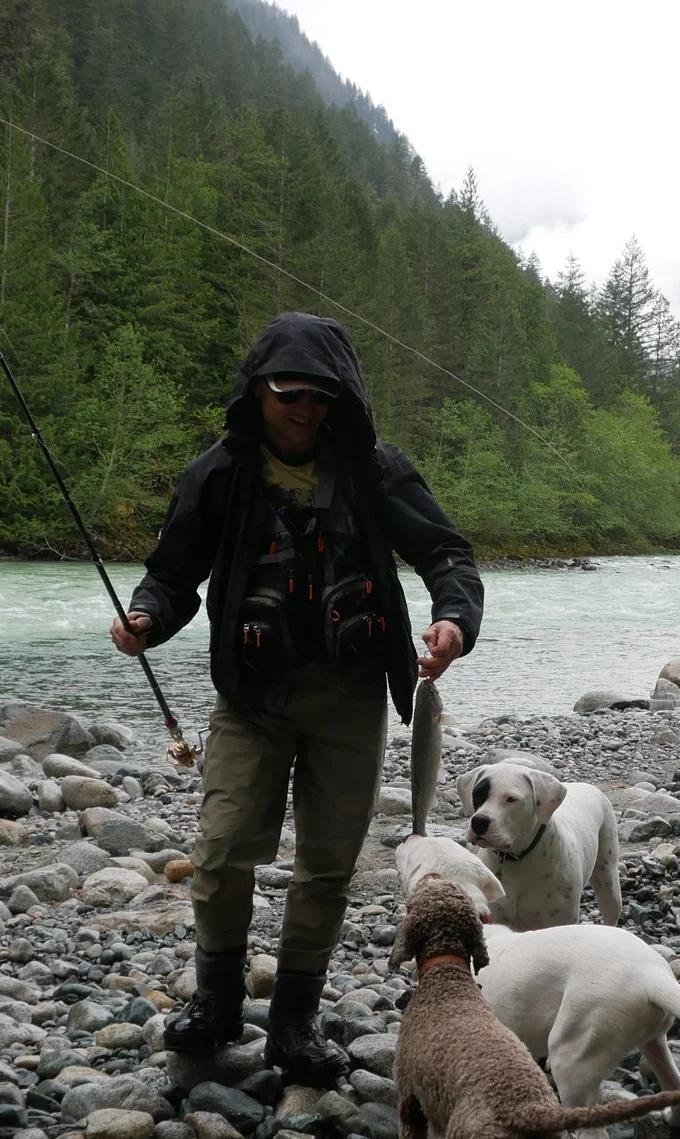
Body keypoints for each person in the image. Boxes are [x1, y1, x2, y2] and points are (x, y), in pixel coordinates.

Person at [113, 312, 483, 1085]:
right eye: (290, 395)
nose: (306, 410)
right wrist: (145, 617)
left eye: (321, 397)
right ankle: (217, 1003)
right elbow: (172, 573)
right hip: (252, 695)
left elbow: (447, 553)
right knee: (221, 850)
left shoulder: (375, 469)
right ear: (258, 392)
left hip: (352, 694)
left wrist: (453, 620)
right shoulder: (219, 472)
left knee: (327, 863)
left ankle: (294, 1021)